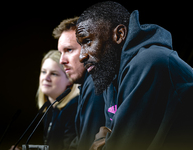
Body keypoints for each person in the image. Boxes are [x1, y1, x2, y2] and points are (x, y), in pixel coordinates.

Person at [76, 1, 193, 150]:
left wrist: (106, 139)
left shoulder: (150, 61)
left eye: (87, 41)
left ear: (119, 34)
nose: (81, 56)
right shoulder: (111, 77)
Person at [53, 17, 105, 150]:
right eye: (60, 53)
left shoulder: (94, 85)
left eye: (69, 50)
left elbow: (86, 145)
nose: (62, 61)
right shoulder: (89, 84)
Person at [10, 50, 79, 150]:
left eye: (54, 74)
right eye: (43, 72)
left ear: (69, 79)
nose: (46, 78)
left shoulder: (73, 109)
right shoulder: (50, 110)